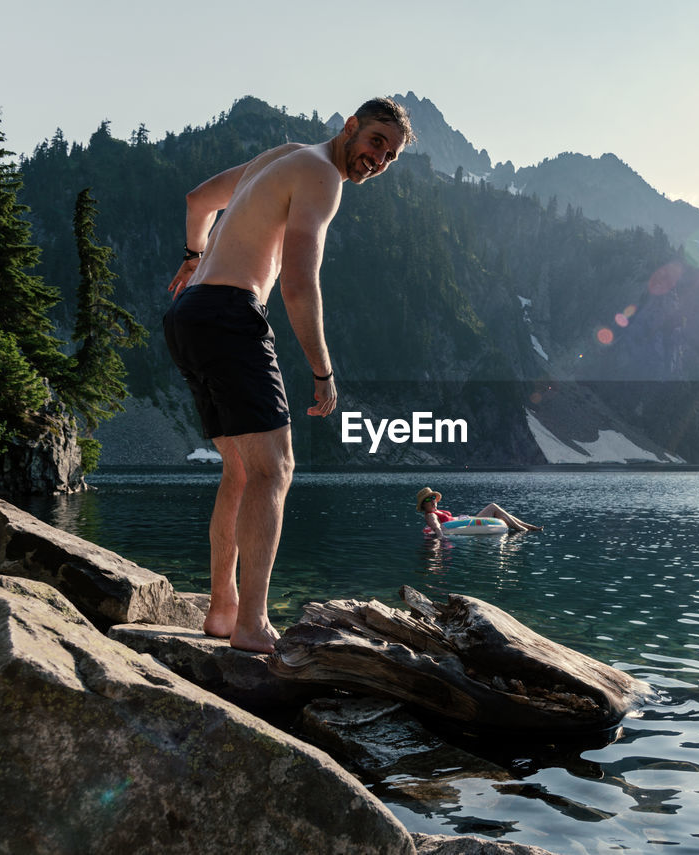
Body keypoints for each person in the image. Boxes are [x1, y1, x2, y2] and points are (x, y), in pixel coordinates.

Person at [163, 97, 415, 653]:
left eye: (390, 156)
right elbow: (299, 283)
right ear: (350, 127)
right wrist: (323, 372)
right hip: (229, 314)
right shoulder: (323, 175)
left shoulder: (282, 157)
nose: (378, 159)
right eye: (375, 142)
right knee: (276, 469)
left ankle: (224, 610)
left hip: (188, 316)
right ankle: (252, 625)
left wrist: (192, 254)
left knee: (241, 471)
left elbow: (199, 200)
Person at [416, 486, 542, 535]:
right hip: (465, 524)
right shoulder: (430, 515)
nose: (432, 501)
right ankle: (524, 530)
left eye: (433, 498)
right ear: (424, 505)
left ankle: (527, 526)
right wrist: (441, 538)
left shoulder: (437, 511)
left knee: (494, 508)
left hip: (467, 520)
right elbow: (436, 526)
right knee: (493, 507)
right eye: (428, 500)